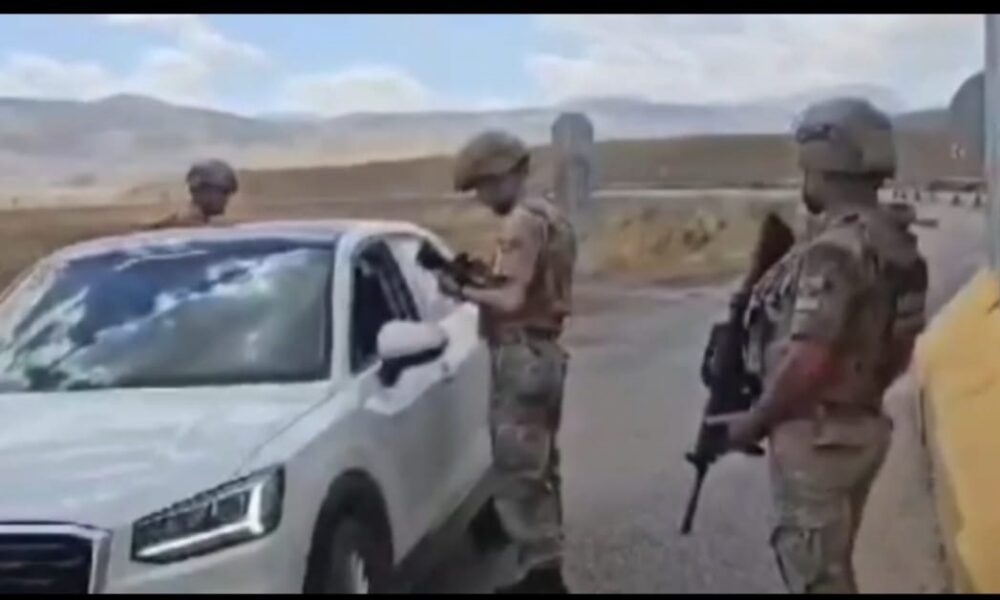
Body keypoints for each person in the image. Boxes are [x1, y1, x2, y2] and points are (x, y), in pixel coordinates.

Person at [727, 98, 929, 593]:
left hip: (820, 436)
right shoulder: (896, 243)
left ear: (823, 161)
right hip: (859, 426)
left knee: (814, 575)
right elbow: (900, 347)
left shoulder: (834, 251)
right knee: (833, 566)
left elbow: (809, 357)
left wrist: (756, 420)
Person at [437, 130, 577, 594]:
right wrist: (483, 277)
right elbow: (532, 286)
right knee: (541, 466)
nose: (480, 198)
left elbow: (513, 299)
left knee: (519, 470)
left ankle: (543, 578)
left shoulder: (521, 223)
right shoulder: (552, 216)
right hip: (545, 352)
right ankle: (546, 565)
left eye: (481, 187)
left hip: (522, 354)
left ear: (500, 176)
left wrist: (461, 289)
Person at [145, 159, 238, 230]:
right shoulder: (183, 227)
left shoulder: (205, 226)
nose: (226, 199)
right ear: (202, 191)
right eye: (224, 192)